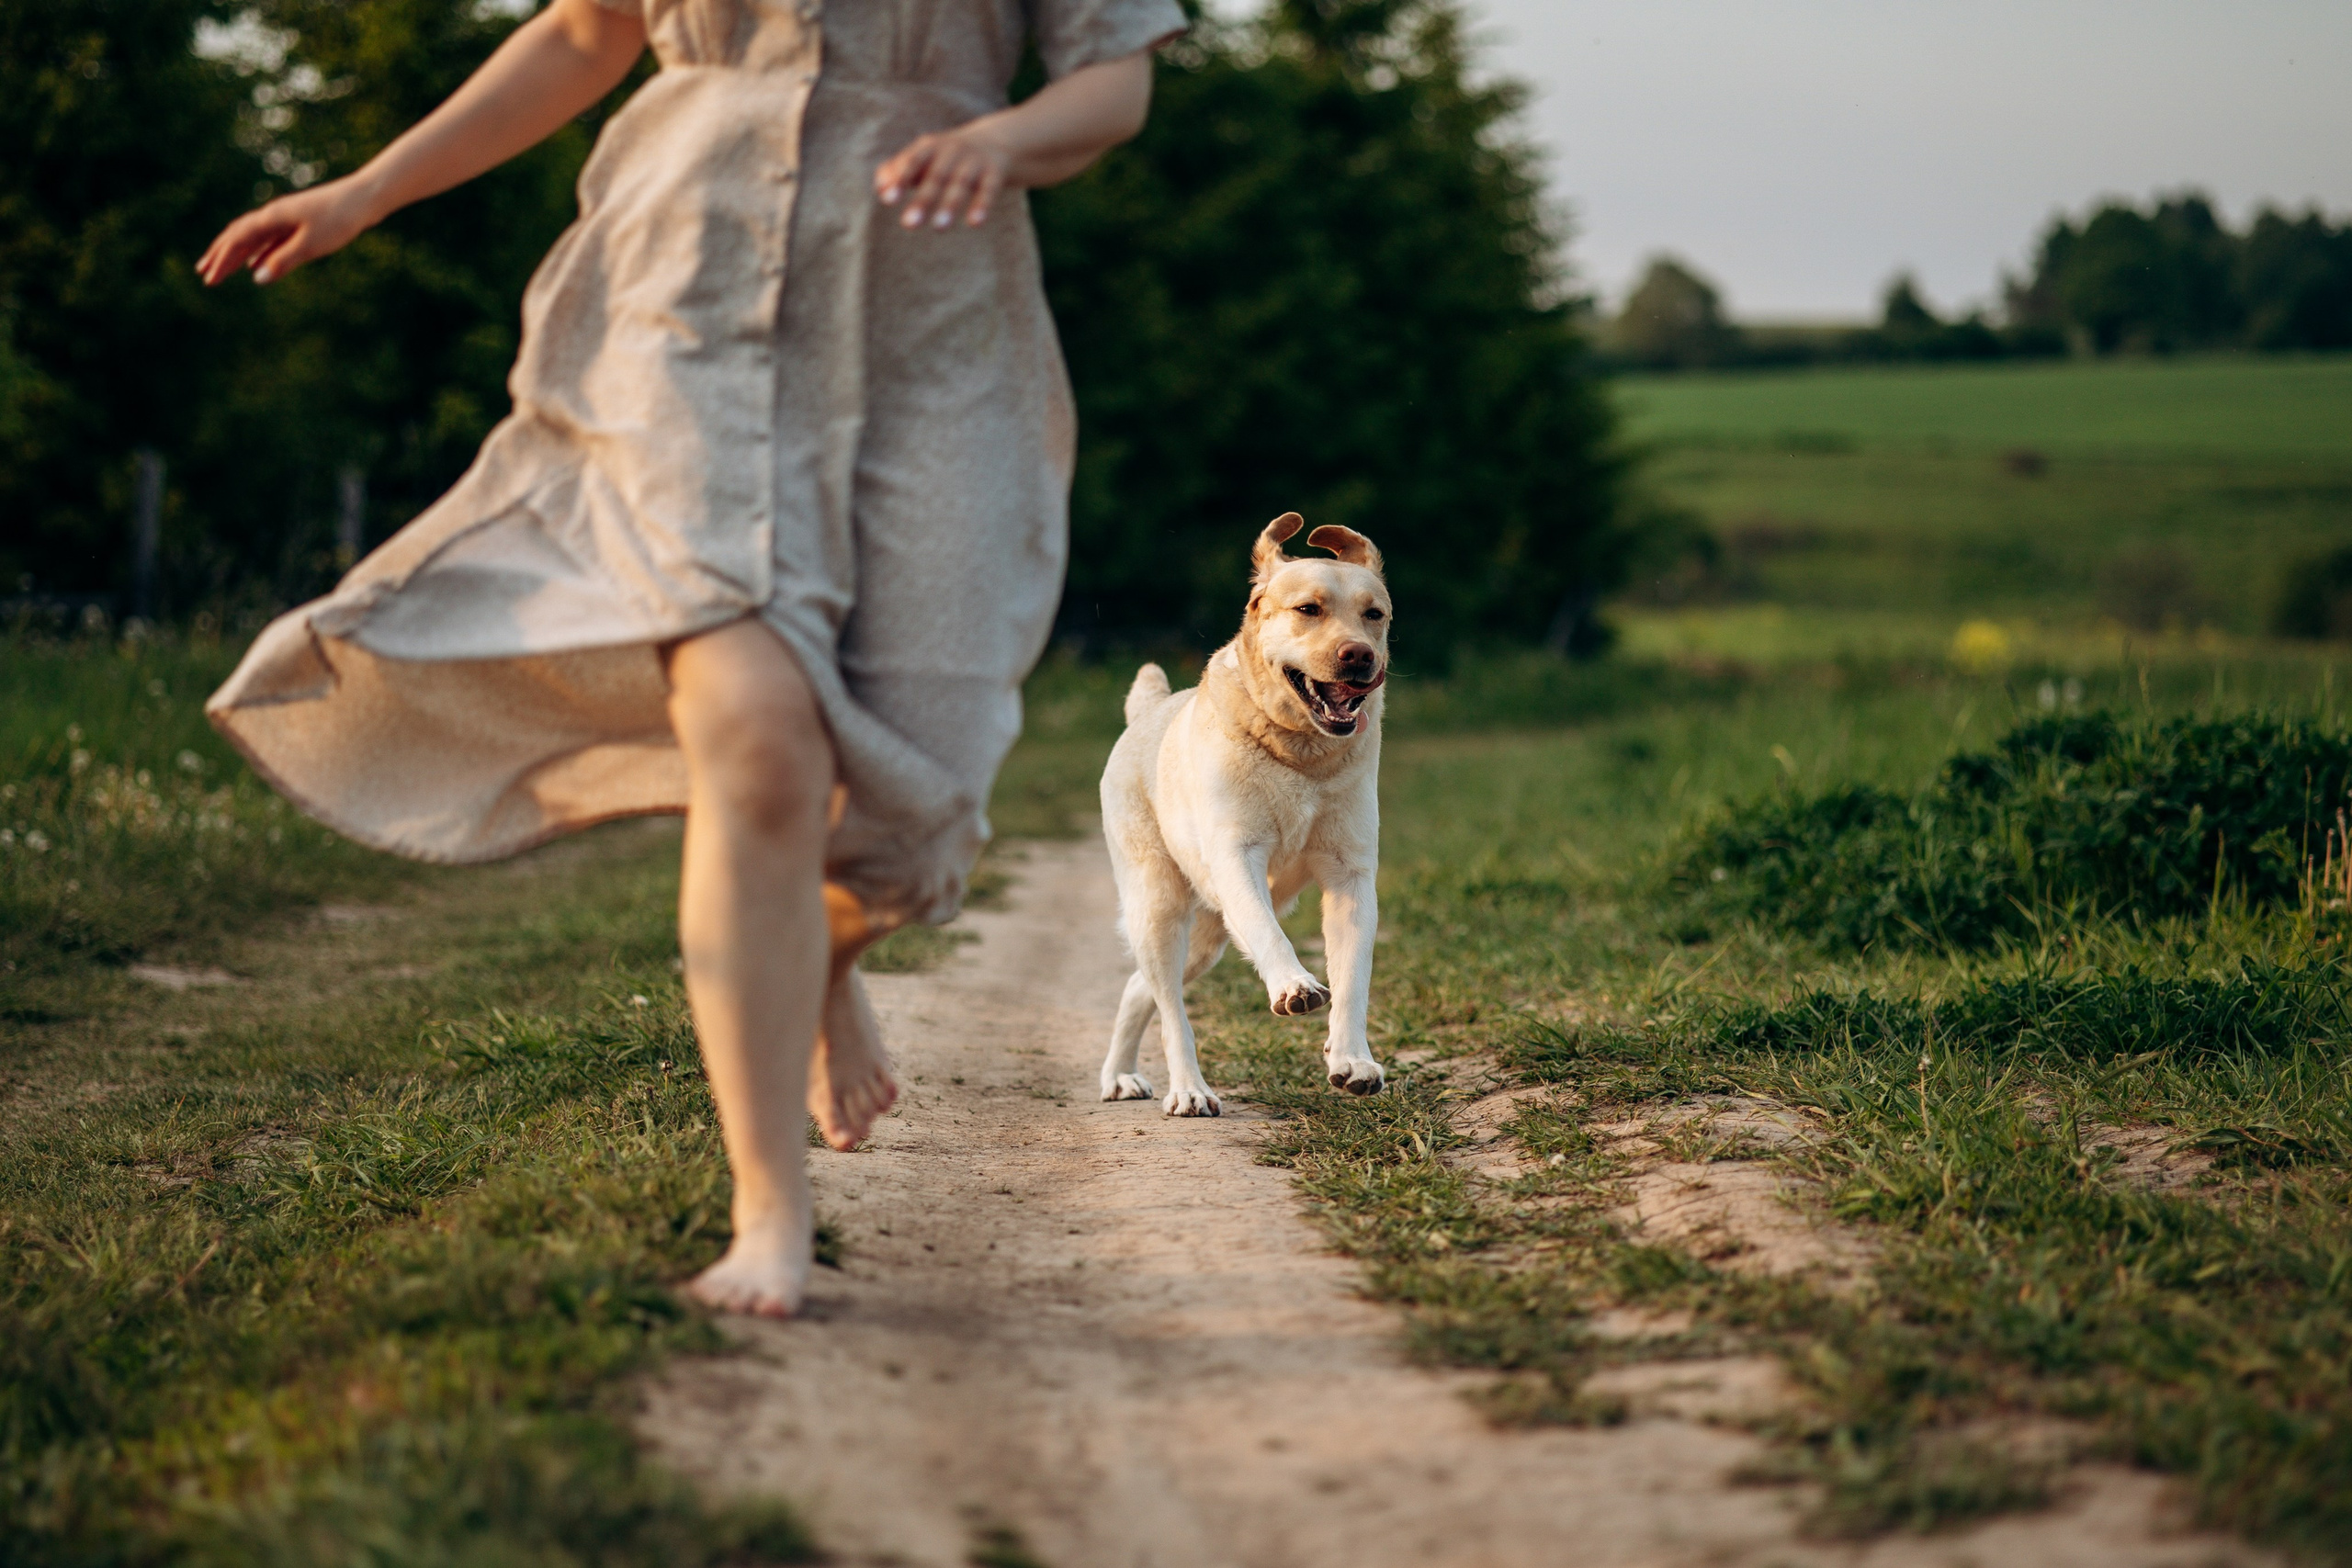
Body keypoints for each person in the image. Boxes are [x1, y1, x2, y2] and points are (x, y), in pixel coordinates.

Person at [196, 0, 1183, 1318]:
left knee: (926, 791)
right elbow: (586, 31)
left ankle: (822, 957)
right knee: (761, 749)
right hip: (681, 309)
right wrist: (368, 191)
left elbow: (1112, 85)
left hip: (928, 327)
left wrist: (1002, 140)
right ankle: (769, 1211)